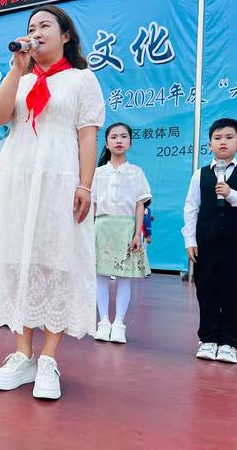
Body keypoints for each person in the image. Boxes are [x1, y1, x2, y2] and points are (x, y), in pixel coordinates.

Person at [0, 5, 105, 400]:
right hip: (17, 179)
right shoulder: (22, 79)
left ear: (66, 36)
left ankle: (48, 359)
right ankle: (22, 356)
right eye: (30, 27)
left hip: (59, 180)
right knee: (18, 262)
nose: (36, 31)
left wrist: (85, 185)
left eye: (45, 25)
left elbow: (87, 136)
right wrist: (16, 68)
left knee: (56, 262)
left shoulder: (82, 80)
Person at [182, 118, 237, 364]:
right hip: (206, 241)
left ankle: (228, 343)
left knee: (234, 292)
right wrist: (190, 240)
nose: (223, 142)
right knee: (206, 290)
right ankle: (207, 339)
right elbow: (191, 207)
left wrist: (232, 195)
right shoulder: (200, 174)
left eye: (228, 137)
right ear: (210, 144)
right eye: (217, 138)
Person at [92, 123, 151, 344]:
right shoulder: (98, 173)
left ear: (129, 142)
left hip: (126, 228)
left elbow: (139, 206)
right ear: (106, 143)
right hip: (102, 226)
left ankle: (119, 324)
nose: (118, 140)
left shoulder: (136, 173)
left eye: (123, 136)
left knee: (125, 278)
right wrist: (90, 230)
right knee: (101, 276)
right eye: (114, 137)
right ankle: (103, 322)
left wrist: (137, 234)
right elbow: (94, 204)